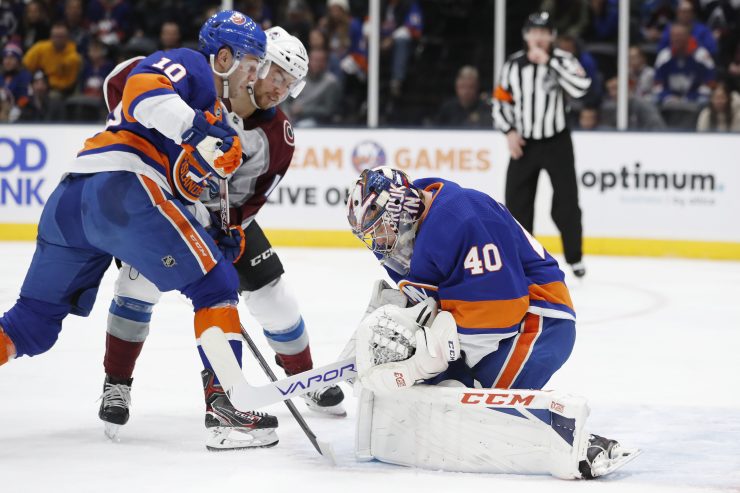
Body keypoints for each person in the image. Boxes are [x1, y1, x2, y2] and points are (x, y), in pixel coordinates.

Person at [0, 9, 268, 445]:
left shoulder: (216, 113)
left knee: (30, 325)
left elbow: (181, 185)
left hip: (71, 201)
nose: (252, 80)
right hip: (122, 189)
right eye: (251, 67)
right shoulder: (193, 65)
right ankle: (226, 412)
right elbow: (142, 89)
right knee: (216, 287)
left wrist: (210, 228)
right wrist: (195, 129)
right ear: (224, 58)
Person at [96, 26, 346, 450]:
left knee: (274, 296)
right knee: (135, 286)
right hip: (165, 212)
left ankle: (302, 378)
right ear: (256, 65)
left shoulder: (279, 138)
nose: (282, 89)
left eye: (292, 84)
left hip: (225, 225)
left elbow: (252, 198)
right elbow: (122, 86)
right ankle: (116, 384)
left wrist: (229, 230)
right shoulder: (201, 86)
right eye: (278, 75)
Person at [345, 166, 635, 479]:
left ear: (404, 205)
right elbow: (431, 300)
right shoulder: (407, 235)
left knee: (465, 407)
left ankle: (581, 444)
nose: (380, 242)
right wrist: (370, 343)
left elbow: (501, 307)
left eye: (382, 228)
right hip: (484, 321)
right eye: (371, 235)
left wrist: (418, 363)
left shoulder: (461, 218)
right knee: (435, 394)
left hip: (538, 321)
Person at [492, 12, 591, 278]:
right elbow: (501, 100)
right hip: (525, 142)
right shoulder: (513, 65)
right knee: (517, 202)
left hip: (557, 140)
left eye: (544, 32)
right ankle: (521, 259)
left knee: (567, 201)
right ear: (526, 35)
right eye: (534, 32)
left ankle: (575, 257)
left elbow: (581, 86)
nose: (539, 37)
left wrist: (549, 62)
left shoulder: (563, 60)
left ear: (552, 37)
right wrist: (509, 131)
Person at [22, 21, 82, 96]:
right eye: (55, 36)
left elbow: (69, 83)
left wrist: (47, 83)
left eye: (61, 37)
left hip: (58, 89)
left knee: (53, 96)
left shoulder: (73, 57)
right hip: (37, 81)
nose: (57, 39)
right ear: (51, 36)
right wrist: (34, 81)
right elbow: (25, 64)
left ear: (67, 37)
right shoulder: (40, 47)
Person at [284, 47, 340, 126]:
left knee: (304, 125)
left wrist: (303, 110)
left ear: (325, 63)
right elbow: (286, 99)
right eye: (315, 60)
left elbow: (328, 110)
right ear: (309, 61)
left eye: (320, 61)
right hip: (292, 116)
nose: (317, 64)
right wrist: (286, 112)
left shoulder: (330, 82)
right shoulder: (300, 78)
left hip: (314, 120)